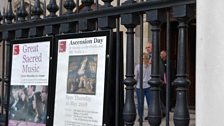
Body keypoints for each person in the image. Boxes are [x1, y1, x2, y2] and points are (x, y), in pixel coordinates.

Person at [134, 52, 151, 122]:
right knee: (150, 102)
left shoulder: (138, 66)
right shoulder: (151, 66)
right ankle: (150, 116)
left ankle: (141, 117)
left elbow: (135, 77)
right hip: (148, 86)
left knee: (140, 103)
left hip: (139, 87)